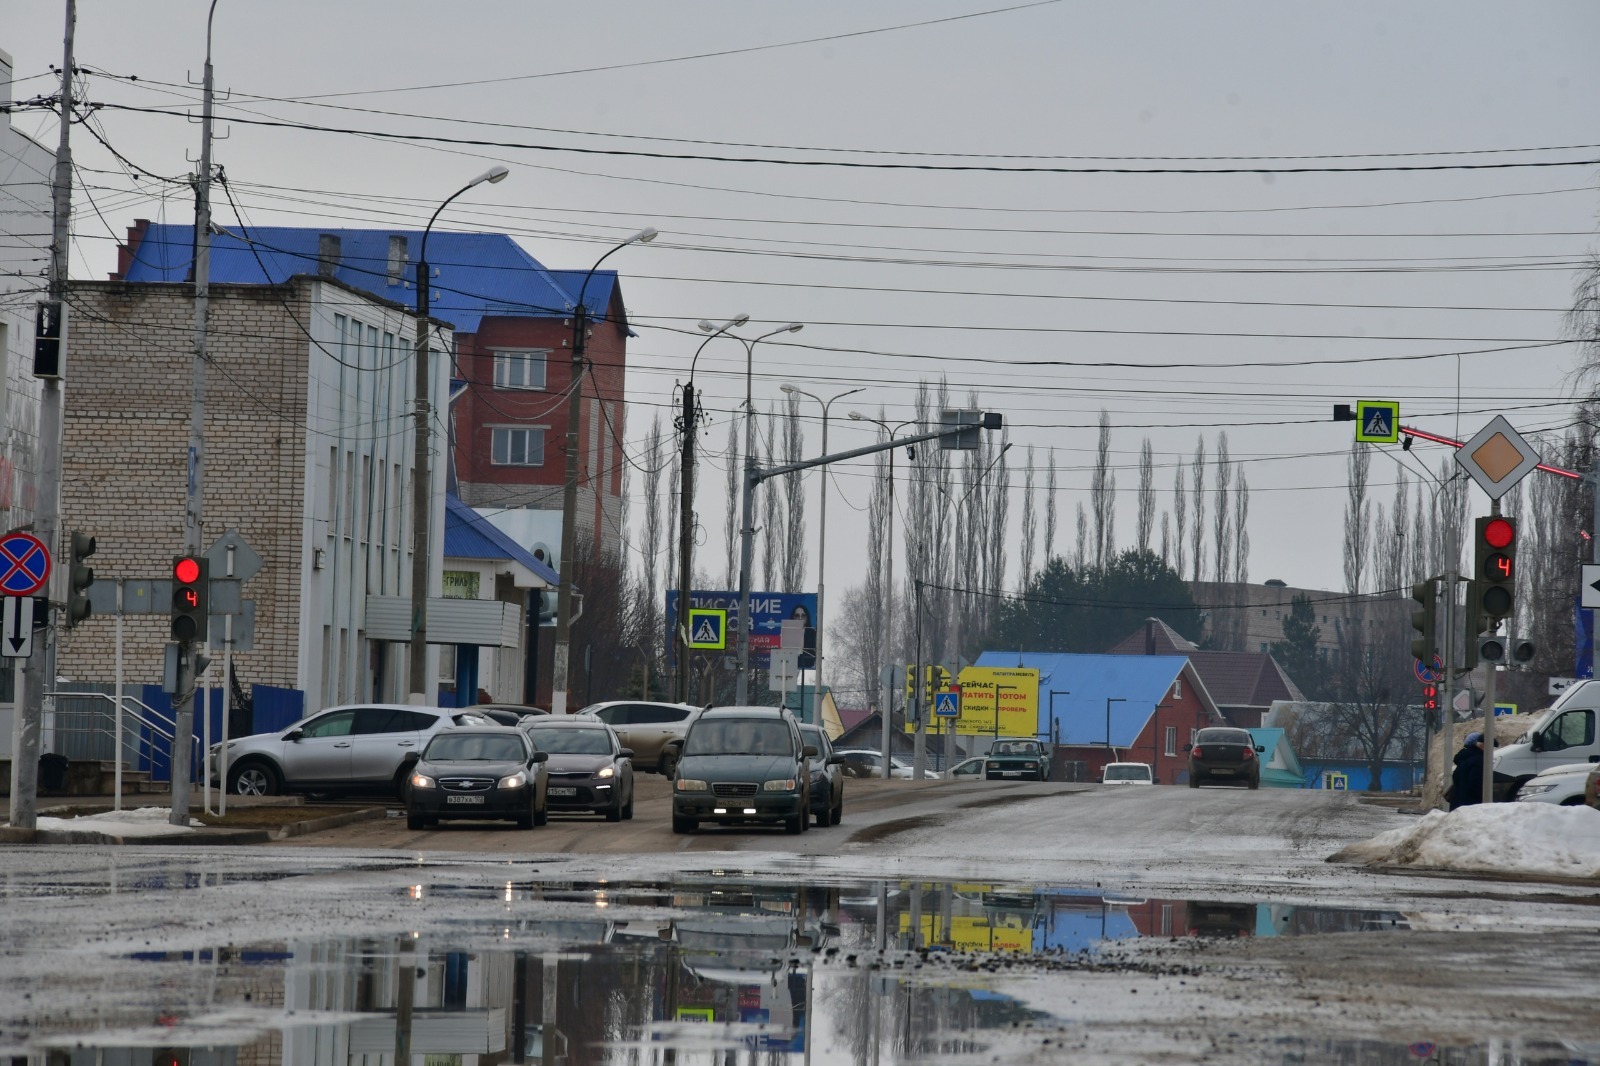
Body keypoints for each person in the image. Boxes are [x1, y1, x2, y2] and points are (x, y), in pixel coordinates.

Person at [1449, 731, 1485, 810]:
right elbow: (1475, 781)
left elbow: (1455, 777)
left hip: (1457, 804)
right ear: (1478, 744)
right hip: (1471, 805)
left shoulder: (1462, 758)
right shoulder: (1479, 758)